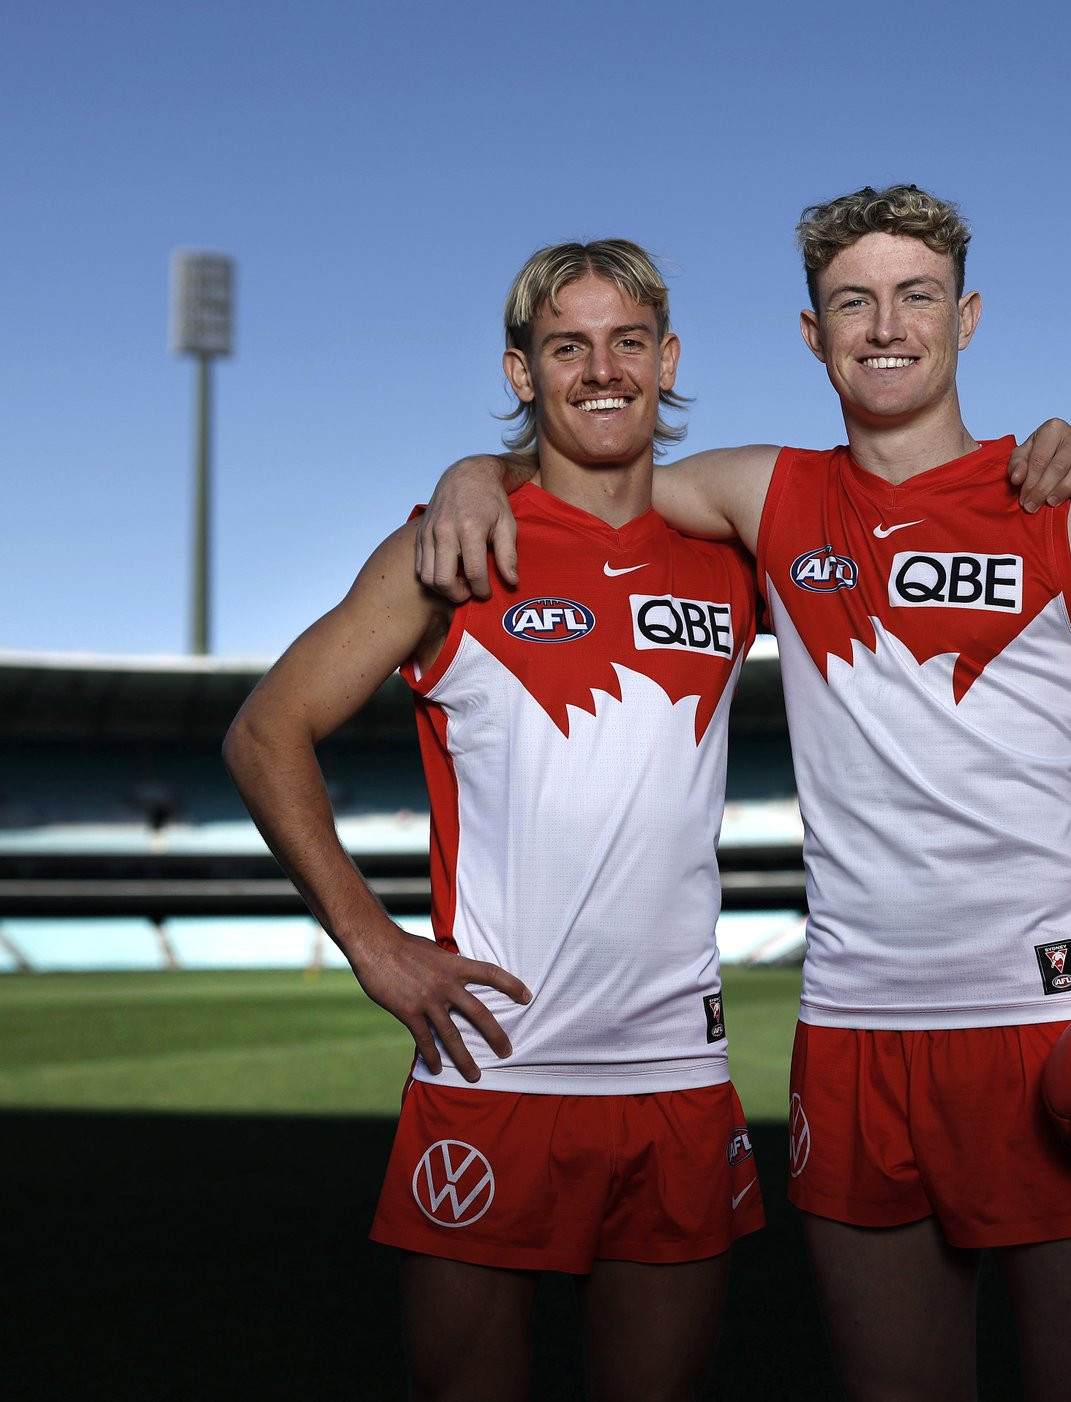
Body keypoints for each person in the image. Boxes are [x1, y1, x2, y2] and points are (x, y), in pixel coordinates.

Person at [415, 184, 1071, 1402]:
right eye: (851, 300)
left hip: (1057, 1027)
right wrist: (475, 466)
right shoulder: (767, 497)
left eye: (914, 296)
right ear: (811, 332)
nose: (884, 325)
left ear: (966, 316)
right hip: (854, 1037)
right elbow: (593, 463)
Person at [225, 239, 769, 1402]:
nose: (602, 369)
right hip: (493, 1070)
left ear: (667, 360)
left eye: (628, 342)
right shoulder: (451, 547)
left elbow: (885, 521)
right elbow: (264, 731)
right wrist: (375, 946)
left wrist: (1041, 457)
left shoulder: (734, 556)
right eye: (567, 346)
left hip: (675, 1069)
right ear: (522, 373)